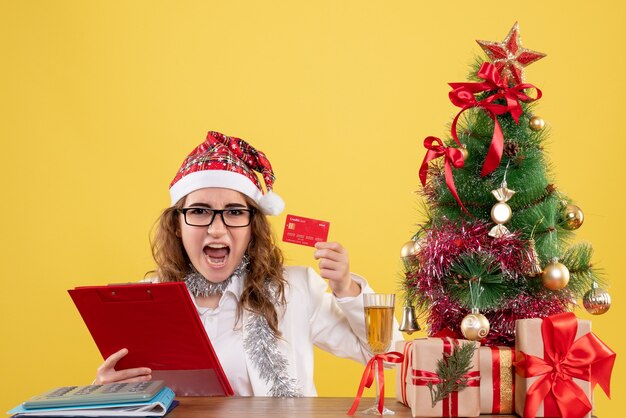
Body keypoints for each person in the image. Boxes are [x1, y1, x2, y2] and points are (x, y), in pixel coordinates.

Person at [94, 131, 402, 396]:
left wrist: (347, 288)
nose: (217, 229)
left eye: (234, 212)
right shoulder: (143, 303)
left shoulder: (294, 291)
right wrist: (107, 393)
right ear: (177, 224)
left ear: (253, 225)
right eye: (200, 211)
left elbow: (389, 356)